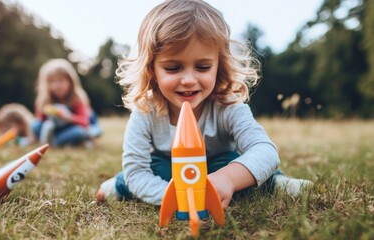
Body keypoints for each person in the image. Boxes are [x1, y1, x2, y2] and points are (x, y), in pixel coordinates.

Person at [96, 0, 312, 207]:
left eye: (202, 67)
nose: (189, 80)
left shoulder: (228, 105)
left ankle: (273, 184)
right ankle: (119, 185)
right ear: (152, 70)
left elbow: (265, 150)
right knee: (147, 171)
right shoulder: (146, 111)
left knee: (238, 162)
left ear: (219, 65)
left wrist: (227, 178)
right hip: (170, 173)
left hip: (218, 167)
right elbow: (137, 171)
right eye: (173, 68)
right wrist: (175, 197)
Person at [31, 58, 101, 147]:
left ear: (70, 82)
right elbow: (40, 120)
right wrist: (46, 112)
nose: (57, 86)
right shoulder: (44, 99)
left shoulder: (77, 98)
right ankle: (56, 141)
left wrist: (69, 118)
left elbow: (85, 121)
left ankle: (53, 143)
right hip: (52, 129)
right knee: (35, 125)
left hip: (69, 129)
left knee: (78, 132)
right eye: (52, 82)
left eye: (61, 80)